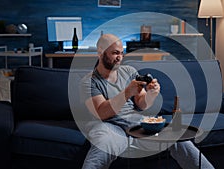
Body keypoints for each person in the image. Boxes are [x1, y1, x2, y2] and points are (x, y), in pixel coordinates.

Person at [80, 33, 214, 169]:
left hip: (135, 124)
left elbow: (142, 104)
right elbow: (102, 113)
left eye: (122, 53)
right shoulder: (89, 81)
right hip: (108, 126)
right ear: (100, 52)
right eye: (115, 53)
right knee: (103, 144)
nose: (120, 58)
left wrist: (151, 94)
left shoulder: (129, 71)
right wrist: (127, 92)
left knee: (177, 138)